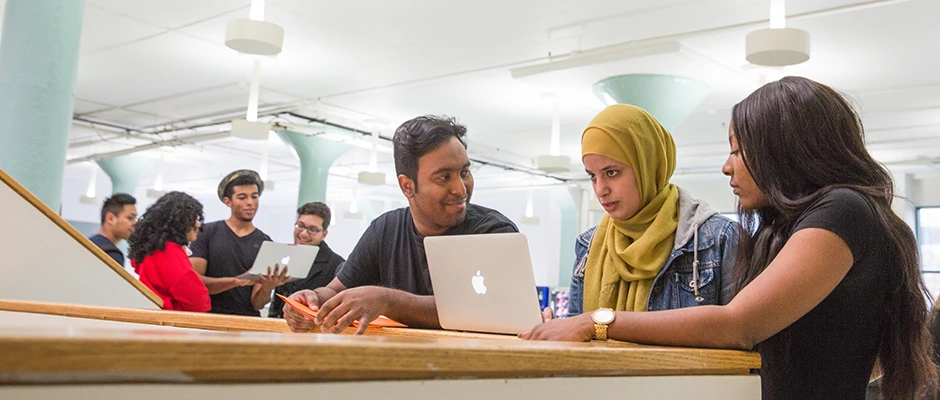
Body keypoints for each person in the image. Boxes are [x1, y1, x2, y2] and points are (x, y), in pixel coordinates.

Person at [520, 77, 938, 400]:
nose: (726, 167)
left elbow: (737, 324)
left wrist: (596, 322)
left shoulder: (842, 210)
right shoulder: (799, 224)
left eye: (737, 151)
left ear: (784, 150)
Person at [283, 115, 518, 334]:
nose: (461, 189)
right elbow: (335, 290)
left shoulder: (494, 232)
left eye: (464, 172)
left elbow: (481, 309)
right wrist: (311, 299)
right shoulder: (385, 229)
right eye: (444, 177)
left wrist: (386, 300)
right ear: (407, 186)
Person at [564, 104, 739, 322]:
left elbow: (737, 338)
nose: (600, 190)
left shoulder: (717, 240)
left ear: (648, 167)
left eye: (612, 172)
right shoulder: (588, 246)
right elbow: (575, 329)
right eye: (592, 176)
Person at [189, 170, 290, 316]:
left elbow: (257, 304)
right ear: (227, 201)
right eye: (242, 197)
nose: (250, 202)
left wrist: (268, 286)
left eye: (254, 197)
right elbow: (194, 282)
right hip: (208, 318)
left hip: (246, 322)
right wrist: (238, 281)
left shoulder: (265, 242)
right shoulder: (207, 232)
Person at [128, 191, 209, 312]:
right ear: (178, 222)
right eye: (193, 219)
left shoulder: (152, 249)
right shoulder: (169, 253)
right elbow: (199, 303)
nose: (198, 224)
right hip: (170, 325)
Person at [268, 202, 346, 319]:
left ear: (324, 234)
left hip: (314, 330)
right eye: (300, 226)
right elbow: (276, 304)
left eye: (313, 229)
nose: (304, 233)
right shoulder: (285, 257)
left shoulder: (337, 265)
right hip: (280, 327)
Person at [88, 193, 137, 266]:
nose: (135, 223)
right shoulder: (112, 255)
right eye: (130, 218)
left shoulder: (87, 244)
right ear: (110, 218)